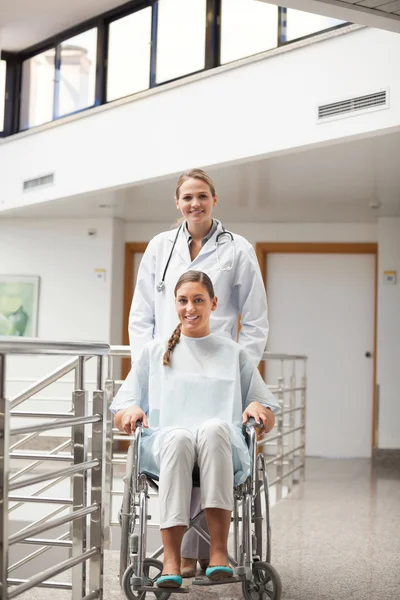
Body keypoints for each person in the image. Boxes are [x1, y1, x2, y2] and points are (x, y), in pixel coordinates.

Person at [128, 168, 269, 576]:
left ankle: (200, 554)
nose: (195, 204)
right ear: (178, 202)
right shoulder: (159, 247)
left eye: (203, 196)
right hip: (168, 368)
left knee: (211, 439)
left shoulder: (237, 248)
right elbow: (141, 315)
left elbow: (255, 319)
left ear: (215, 199)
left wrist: (239, 369)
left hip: (218, 368)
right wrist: (149, 367)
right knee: (176, 444)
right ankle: (189, 556)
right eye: (188, 197)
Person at [112, 271, 278, 588]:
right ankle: (171, 559)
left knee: (214, 428)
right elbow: (122, 412)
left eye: (198, 300)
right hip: (168, 450)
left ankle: (218, 552)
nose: (190, 307)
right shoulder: (155, 352)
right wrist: (129, 411)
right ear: (174, 304)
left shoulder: (233, 353)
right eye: (183, 300)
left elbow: (266, 415)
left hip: (221, 449)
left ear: (213, 304)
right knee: (177, 436)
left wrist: (260, 410)